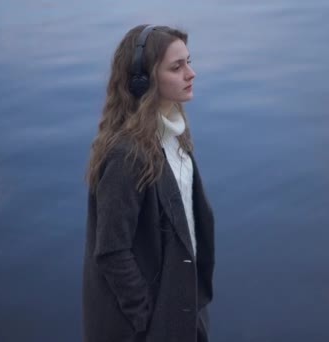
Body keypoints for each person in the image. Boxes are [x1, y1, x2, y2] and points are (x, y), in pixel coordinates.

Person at [82, 24, 215, 342]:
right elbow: (113, 251)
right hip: (149, 328)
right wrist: (148, 319)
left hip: (182, 308)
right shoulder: (126, 155)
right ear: (144, 81)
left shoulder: (174, 133)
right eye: (176, 67)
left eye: (188, 61)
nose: (191, 73)